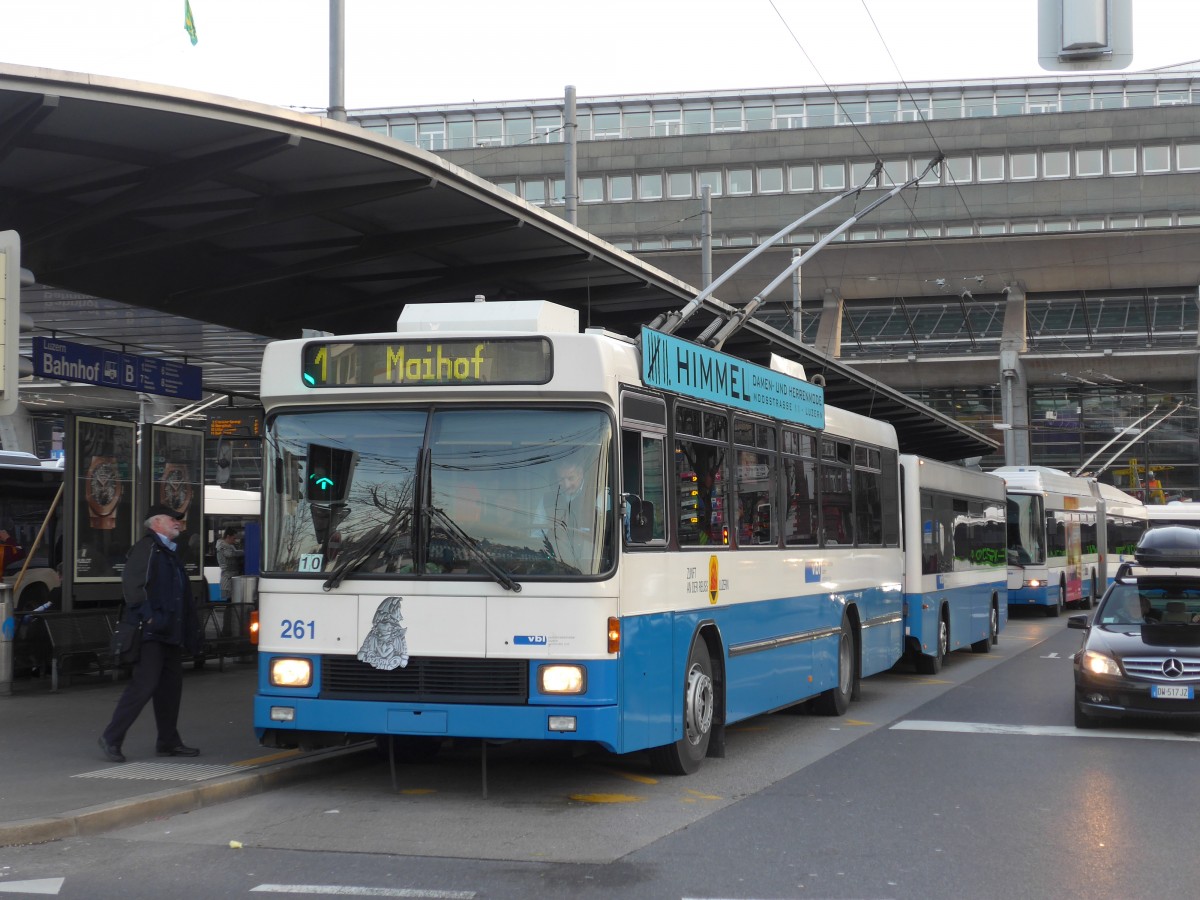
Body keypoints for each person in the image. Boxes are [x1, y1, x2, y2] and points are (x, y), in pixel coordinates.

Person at [98, 504, 203, 763]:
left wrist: (191, 631)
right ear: (156, 523)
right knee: (143, 686)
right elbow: (133, 587)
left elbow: (182, 597)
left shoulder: (169, 553)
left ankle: (168, 741)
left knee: (170, 689)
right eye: (173, 519)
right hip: (151, 632)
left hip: (169, 631)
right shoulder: (148, 548)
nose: (178, 522)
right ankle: (111, 737)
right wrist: (150, 616)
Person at [214, 526, 245, 601]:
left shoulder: (229, 546)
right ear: (228, 536)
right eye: (233, 538)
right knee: (229, 601)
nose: (235, 541)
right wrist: (245, 552)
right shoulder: (223, 546)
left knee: (232, 602)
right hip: (228, 579)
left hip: (231, 577)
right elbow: (231, 554)